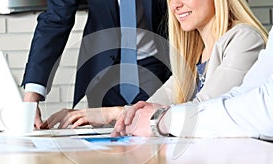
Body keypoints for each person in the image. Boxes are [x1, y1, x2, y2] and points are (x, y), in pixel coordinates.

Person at [41, 0, 268, 130]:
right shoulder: (192, 56)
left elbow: (205, 111)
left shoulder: (244, 38)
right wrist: (94, 114)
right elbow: (149, 107)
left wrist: (113, 113)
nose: (176, 5)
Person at [21, 0, 172, 129]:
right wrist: (31, 96)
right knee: (106, 149)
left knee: (157, 133)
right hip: (103, 70)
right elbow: (56, 18)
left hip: (156, 64)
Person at [112, 25, 273, 138]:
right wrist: (117, 114)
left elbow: (265, 109)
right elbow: (241, 94)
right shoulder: (194, 53)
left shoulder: (244, 38)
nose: (176, 4)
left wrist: (165, 119)